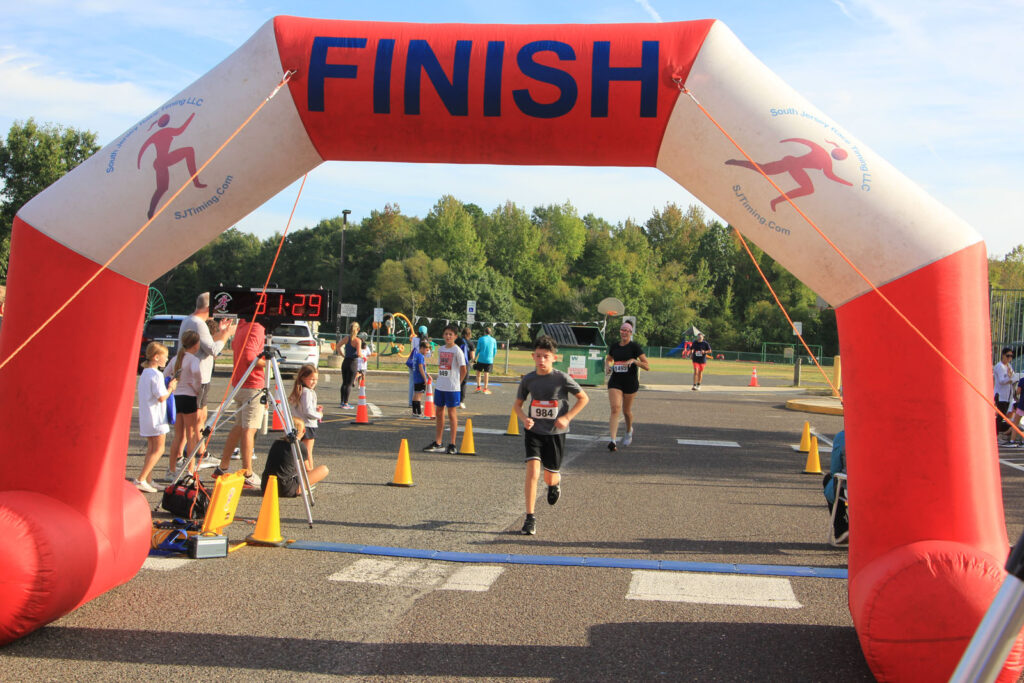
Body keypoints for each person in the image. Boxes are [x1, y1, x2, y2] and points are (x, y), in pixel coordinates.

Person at [513, 335, 589, 535]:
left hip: (555, 433)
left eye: (546, 356)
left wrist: (567, 417)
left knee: (550, 477)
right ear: (533, 356)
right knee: (532, 472)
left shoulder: (561, 378)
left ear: (554, 358)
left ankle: (555, 484)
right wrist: (524, 419)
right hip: (534, 432)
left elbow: (583, 398)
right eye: (538, 356)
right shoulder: (528, 379)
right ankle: (530, 518)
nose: (541, 360)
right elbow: (517, 406)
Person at [213, 318, 266, 488]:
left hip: (240, 383)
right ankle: (247, 472)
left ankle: (223, 466)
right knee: (249, 429)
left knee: (239, 427)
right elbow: (250, 356)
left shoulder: (242, 325)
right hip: (252, 383)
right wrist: (269, 362)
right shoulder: (257, 326)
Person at [135, 342, 177, 492]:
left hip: (147, 416)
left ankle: (148, 479)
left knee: (151, 448)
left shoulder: (145, 373)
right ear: (156, 357)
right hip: (157, 418)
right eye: (165, 356)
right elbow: (161, 397)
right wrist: (171, 388)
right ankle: (141, 479)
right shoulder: (156, 374)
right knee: (159, 449)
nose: (166, 359)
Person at [422, 324, 467, 454]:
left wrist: (457, 383)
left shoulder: (457, 350)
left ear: (455, 336)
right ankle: (438, 442)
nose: (448, 336)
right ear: (443, 335)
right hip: (440, 386)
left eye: (450, 334)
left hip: (452, 388)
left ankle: (452, 443)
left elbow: (463, 369)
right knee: (439, 413)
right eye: (446, 334)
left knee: (452, 414)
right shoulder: (441, 349)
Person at [604, 321, 649, 451]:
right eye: (622, 330)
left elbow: (647, 366)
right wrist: (607, 365)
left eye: (627, 330)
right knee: (615, 408)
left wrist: (634, 361)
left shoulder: (634, 347)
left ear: (630, 333)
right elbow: (609, 358)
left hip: (630, 382)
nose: (624, 332)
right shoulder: (614, 346)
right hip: (615, 381)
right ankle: (613, 441)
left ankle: (629, 431)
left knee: (626, 411)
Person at [164, 330, 203, 477]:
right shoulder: (193, 360)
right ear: (195, 344)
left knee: (178, 435)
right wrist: (196, 389)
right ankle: (190, 470)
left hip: (176, 397)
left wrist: (173, 383)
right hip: (189, 397)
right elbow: (197, 377)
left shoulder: (176, 358)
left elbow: (165, 374)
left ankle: (171, 469)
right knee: (191, 435)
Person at [261, 418, 329, 498]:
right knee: (324, 469)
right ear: (304, 431)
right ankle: (300, 489)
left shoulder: (276, 442)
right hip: (285, 488)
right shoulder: (299, 445)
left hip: (267, 486)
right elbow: (307, 469)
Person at [288, 364, 323, 464]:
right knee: (307, 454)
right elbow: (307, 411)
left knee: (300, 453)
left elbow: (302, 407)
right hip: (308, 425)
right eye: (311, 379)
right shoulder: (307, 392)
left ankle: (301, 471)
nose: (314, 382)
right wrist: (319, 415)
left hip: (298, 425)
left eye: (316, 379)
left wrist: (314, 407)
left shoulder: (299, 390)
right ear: (303, 378)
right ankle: (309, 471)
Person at [823, 429, 849, 545]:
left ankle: (841, 529)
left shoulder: (843, 436)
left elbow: (835, 469)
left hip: (852, 488)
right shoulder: (885, 434)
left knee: (829, 479)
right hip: (884, 489)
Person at [994, 347, 1016, 443]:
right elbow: (1002, 380)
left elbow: (1014, 376)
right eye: (1008, 356)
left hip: (1008, 395)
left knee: (1003, 416)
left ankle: (998, 434)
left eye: (1011, 356)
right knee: (1000, 416)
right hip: (1001, 395)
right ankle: (995, 435)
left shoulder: (1009, 366)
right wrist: (1009, 378)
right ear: (1003, 355)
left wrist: (1011, 378)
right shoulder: (999, 366)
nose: (1009, 358)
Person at [339, 321, 362, 409]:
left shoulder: (346, 338)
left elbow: (338, 346)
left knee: (344, 383)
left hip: (345, 361)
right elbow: (359, 353)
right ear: (358, 329)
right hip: (353, 362)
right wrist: (364, 356)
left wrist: (342, 354)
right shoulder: (358, 340)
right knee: (349, 384)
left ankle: (342, 402)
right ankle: (346, 403)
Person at [407, 340, 430, 418]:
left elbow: (421, 368)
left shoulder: (416, 355)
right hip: (420, 379)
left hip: (416, 378)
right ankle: (419, 413)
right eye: (426, 350)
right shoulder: (420, 356)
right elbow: (421, 368)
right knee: (419, 396)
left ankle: (414, 412)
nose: (427, 352)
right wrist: (425, 378)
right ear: (422, 348)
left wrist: (427, 375)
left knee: (415, 395)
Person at [474, 326, 497, 394]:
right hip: (489, 360)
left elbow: (478, 349)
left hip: (481, 359)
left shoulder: (481, 339)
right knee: (486, 373)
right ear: (490, 333)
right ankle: (485, 388)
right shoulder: (493, 340)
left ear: (484, 332)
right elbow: (495, 350)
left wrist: (474, 358)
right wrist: (492, 357)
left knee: (478, 373)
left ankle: (478, 387)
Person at [457, 326, 474, 408]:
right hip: (465, 364)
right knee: (463, 383)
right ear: (469, 334)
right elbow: (472, 356)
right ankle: (461, 402)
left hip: (456, 363)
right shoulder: (470, 343)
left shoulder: (457, 341)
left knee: (455, 381)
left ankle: (453, 399)